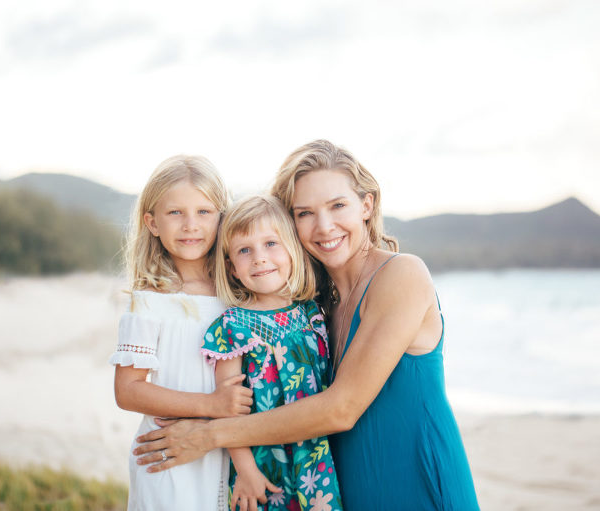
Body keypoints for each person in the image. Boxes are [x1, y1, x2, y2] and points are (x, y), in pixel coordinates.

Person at [133, 141, 480, 511]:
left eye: (338, 205)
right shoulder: (318, 307)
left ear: (368, 204)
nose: (324, 225)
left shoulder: (402, 274)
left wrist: (209, 435)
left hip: (418, 486)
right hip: (344, 491)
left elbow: (340, 409)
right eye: (304, 213)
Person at [109, 155, 253, 510]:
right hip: (169, 456)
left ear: (223, 218)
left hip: (231, 452)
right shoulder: (150, 300)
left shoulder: (237, 293)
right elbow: (127, 391)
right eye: (176, 213)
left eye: (204, 212)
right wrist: (210, 405)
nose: (191, 225)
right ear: (152, 222)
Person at [201, 195, 343, 511]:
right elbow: (228, 407)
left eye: (270, 244)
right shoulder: (233, 326)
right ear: (232, 268)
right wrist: (247, 469)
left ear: (292, 249)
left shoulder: (313, 312)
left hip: (318, 457)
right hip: (263, 464)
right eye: (244, 250)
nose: (259, 258)